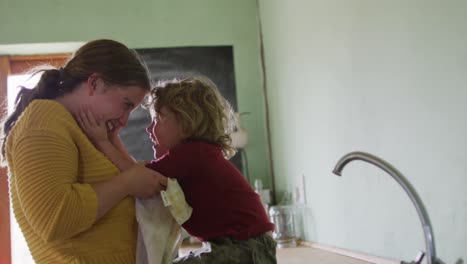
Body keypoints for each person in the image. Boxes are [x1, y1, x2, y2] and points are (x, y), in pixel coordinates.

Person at [0, 39, 167, 264]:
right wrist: (125, 183)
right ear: (95, 84)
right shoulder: (43, 121)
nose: (125, 120)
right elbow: (55, 219)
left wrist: (111, 140)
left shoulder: (86, 130)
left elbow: (142, 182)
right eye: (126, 104)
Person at [79, 77, 277, 264]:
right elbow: (136, 173)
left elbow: (137, 177)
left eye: (157, 120)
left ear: (186, 122)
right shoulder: (197, 154)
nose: (149, 129)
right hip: (244, 246)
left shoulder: (193, 153)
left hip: (248, 248)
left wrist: (102, 141)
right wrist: (112, 138)